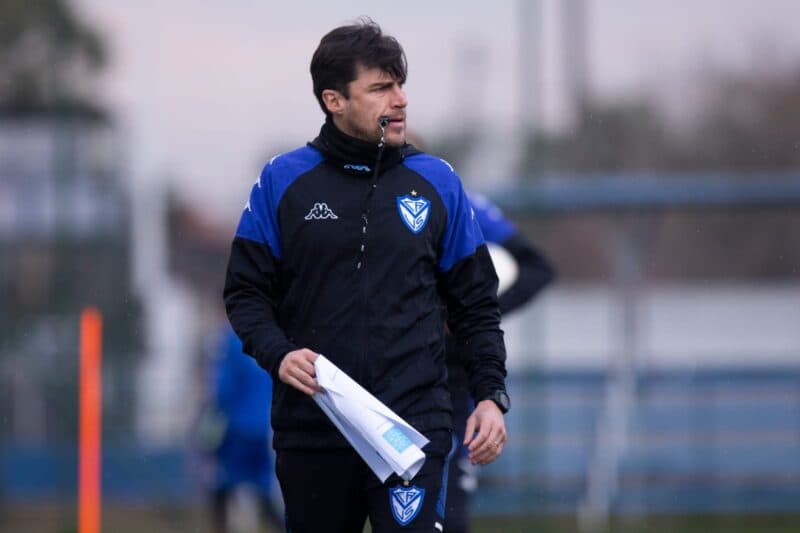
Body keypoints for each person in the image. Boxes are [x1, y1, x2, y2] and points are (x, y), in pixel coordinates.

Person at [223, 18, 509, 533]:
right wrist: (279, 353)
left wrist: (490, 395)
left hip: (413, 428)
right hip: (313, 428)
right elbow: (245, 292)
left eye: (400, 85)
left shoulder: (437, 182)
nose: (399, 100)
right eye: (380, 88)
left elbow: (477, 306)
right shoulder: (283, 182)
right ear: (334, 100)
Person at [444, 192, 555, 533]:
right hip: (380, 379)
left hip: (449, 379)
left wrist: (474, 314)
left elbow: (536, 267)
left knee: (448, 513)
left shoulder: (458, 204)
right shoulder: (357, 202)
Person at [204, 323, 283, 533]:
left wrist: (209, 424)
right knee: (263, 490)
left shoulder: (231, 341)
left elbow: (223, 390)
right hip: (264, 429)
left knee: (222, 486)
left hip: (235, 430)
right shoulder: (270, 338)